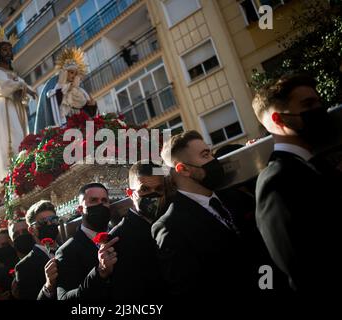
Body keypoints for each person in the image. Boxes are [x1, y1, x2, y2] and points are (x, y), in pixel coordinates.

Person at [153, 130, 277, 298]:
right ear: (183, 169)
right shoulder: (171, 227)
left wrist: (269, 286)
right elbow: (189, 291)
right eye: (205, 156)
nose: (214, 160)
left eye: (210, 153)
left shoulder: (233, 195)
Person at [251, 73, 342, 292]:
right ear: (279, 119)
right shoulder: (275, 181)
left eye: (319, 102)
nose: (319, 110)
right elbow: (299, 268)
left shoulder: (321, 166)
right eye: (308, 105)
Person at [0, 25, 38, 218]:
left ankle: (21, 179)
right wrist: (21, 86)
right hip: (2, 109)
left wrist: (24, 89)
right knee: (3, 146)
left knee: (22, 143)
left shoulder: (15, 75)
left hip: (16, 110)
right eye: (3, 49)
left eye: (9, 50)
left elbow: (25, 91)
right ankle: (1, 188)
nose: (7, 52)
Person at [106, 161, 165, 300]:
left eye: (158, 189)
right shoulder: (117, 238)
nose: (153, 195)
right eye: (144, 189)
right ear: (130, 193)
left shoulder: (171, 221)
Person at [55, 183, 118, 300]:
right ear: (80, 209)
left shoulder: (119, 235)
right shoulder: (67, 251)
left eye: (104, 200)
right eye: (93, 200)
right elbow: (64, 297)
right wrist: (99, 273)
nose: (100, 204)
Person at [14, 200, 59, 300]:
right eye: (43, 222)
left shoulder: (67, 249)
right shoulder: (24, 266)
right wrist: (48, 286)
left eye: (53, 219)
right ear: (31, 230)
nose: (49, 224)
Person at [54, 47, 97, 121]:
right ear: (65, 73)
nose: (73, 76)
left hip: (83, 124)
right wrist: (67, 88)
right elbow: (56, 103)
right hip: (68, 124)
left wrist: (92, 105)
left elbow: (91, 114)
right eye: (71, 72)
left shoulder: (81, 91)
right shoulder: (60, 88)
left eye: (75, 74)